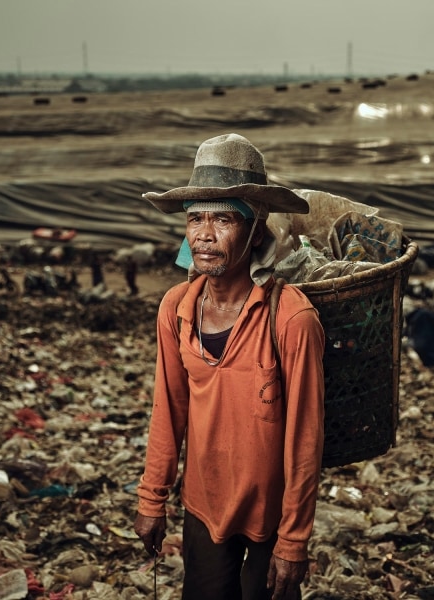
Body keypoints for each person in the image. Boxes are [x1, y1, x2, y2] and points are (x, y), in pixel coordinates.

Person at [134, 133, 325, 600]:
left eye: (223, 219)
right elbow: (169, 409)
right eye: (195, 218)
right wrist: (152, 498)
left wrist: (294, 541)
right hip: (203, 505)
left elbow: (306, 438)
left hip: (271, 515)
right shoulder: (176, 307)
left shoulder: (291, 318)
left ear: (255, 231)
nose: (204, 234)